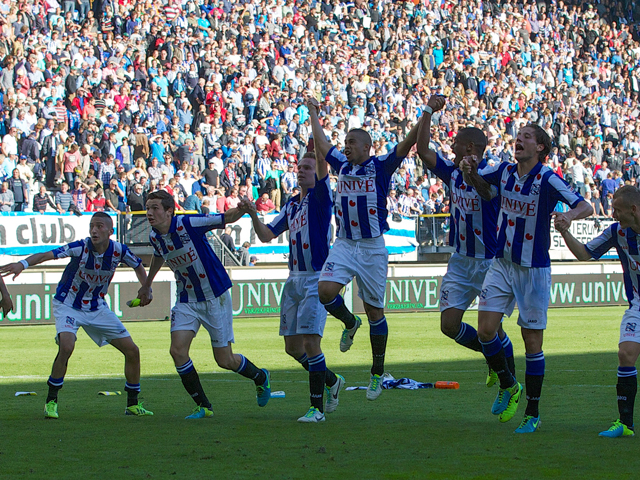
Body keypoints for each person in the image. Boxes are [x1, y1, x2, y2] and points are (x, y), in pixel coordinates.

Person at [461, 125, 593, 432]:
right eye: (518, 135)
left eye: (527, 137)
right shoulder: (505, 171)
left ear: (541, 148)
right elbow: (485, 190)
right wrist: (469, 172)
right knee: (485, 330)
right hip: (502, 263)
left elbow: (583, 205)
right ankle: (509, 384)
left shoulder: (547, 179)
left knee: (532, 343)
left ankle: (532, 412)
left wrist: (568, 217)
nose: (519, 139)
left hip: (533, 270)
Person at [307, 96, 421, 401]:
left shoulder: (381, 166)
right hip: (344, 244)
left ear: (367, 147)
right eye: (345, 141)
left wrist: (424, 115)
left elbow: (406, 145)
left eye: (352, 142)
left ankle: (377, 373)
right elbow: (321, 143)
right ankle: (348, 321)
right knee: (325, 290)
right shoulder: (341, 165)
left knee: (375, 312)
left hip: (371, 247)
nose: (346, 146)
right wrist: (313, 112)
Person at [0, 213, 153, 419]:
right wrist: (23, 264)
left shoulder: (119, 250)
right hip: (68, 305)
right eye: (92, 226)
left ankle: (133, 404)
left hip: (97, 307)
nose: (94, 230)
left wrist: (146, 288)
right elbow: (47, 254)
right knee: (67, 346)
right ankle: (51, 401)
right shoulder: (80, 247)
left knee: (132, 351)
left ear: (110, 231)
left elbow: (138, 265)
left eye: (99, 226)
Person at [137, 190, 271, 419]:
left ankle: (260, 377)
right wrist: (147, 284)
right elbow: (159, 255)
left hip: (214, 296)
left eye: (155, 208)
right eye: (148, 208)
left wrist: (242, 209)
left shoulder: (188, 223)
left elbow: (224, 218)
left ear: (169, 211)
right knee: (177, 351)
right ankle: (203, 405)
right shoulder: (154, 236)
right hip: (187, 299)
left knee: (225, 360)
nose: (150, 213)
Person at [415, 95, 516, 387]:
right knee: (449, 325)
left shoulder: (492, 173)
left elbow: (486, 194)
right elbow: (422, 150)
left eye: (456, 142)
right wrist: (427, 112)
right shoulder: (452, 173)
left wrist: (473, 176)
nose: (451, 145)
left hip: (488, 263)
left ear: (470, 147)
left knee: (491, 330)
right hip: (460, 260)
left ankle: (509, 383)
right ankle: (491, 358)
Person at [247, 151, 344, 423]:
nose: (301, 171)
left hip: (316, 277)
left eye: (308, 167)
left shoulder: (322, 197)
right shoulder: (291, 205)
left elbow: (323, 166)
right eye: (299, 167)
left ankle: (317, 409)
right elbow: (267, 235)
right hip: (294, 278)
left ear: (319, 172)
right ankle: (332, 381)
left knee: (311, 343)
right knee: (292, 347)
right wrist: (254, 214)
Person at [554, 185, 640, 438]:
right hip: (638, 305)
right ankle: (625, 424)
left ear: (633, 210)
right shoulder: (617, 232)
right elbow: (584, 254)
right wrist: (565, 232)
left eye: (617, 210)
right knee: (626, 353)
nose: (613, 214)